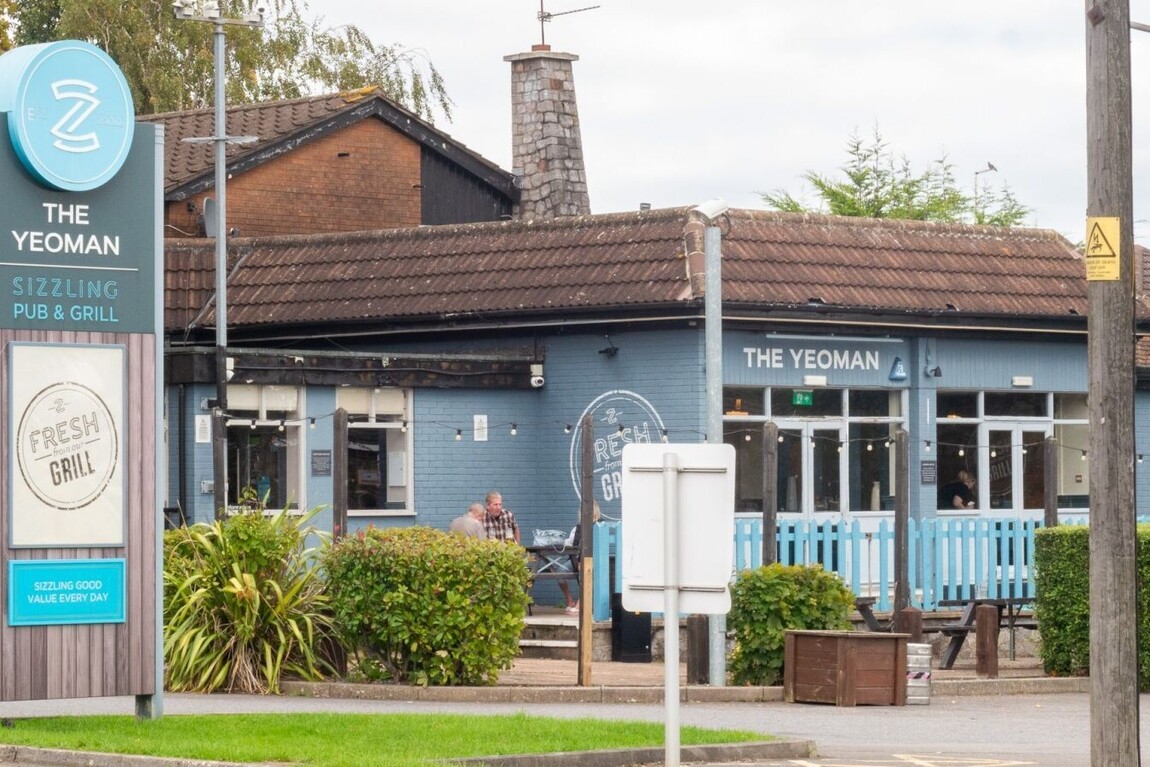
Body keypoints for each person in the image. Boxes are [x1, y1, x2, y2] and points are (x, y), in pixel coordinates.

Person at [557, 501, 600, 614]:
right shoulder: (578, 527)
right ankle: (569, 601)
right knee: (560, 572)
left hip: (595, 560)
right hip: (577, 560)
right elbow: (570, 543)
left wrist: (583, 561)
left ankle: (580, 604)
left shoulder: (599, 526)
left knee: (586, 572)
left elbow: (598, 547)